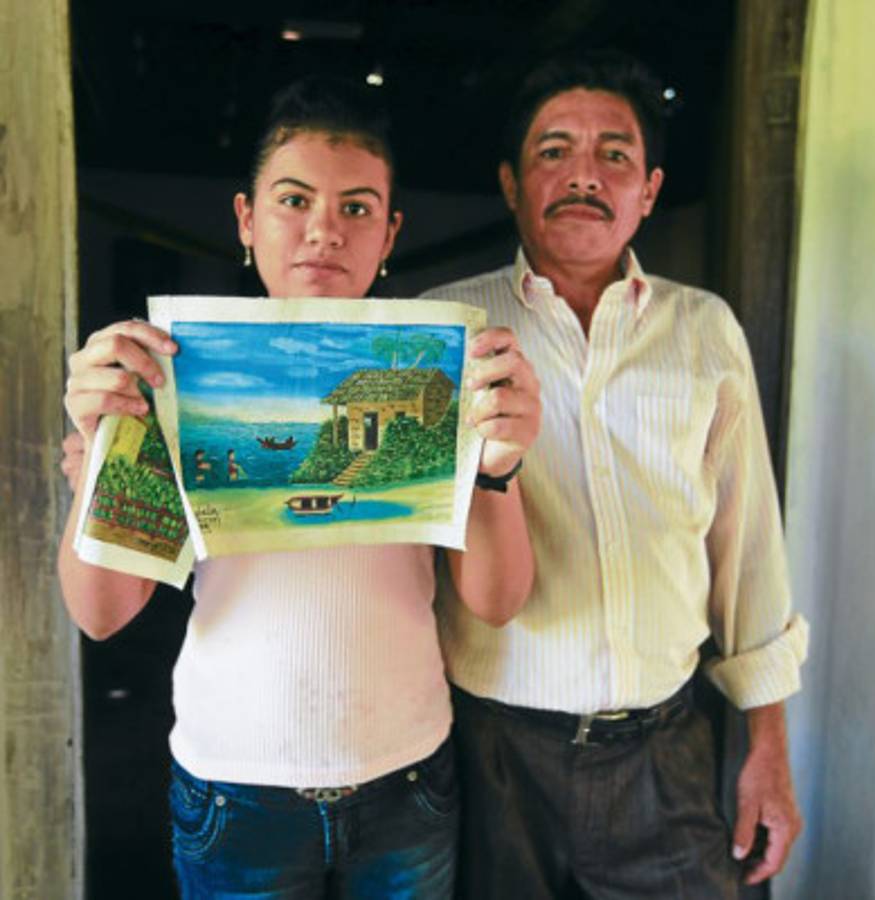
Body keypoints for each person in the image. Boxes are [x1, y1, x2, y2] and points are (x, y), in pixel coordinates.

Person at [58, 75, 541, 899]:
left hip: (407, 777)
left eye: (357, 208)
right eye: (293, 200)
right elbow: (103, 613)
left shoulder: (440, 373)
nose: (324, 230)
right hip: (231, 783)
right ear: (246, 218)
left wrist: (500, 464)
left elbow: (496, 602)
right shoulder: (172, 374)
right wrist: (103, 453)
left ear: (389, 233)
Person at [423, 50, 808, 899]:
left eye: (615, 155)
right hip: (490, 752)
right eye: (552, 152)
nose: (583, 175)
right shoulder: (438, 330)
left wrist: (768, 753)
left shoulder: (703, 329)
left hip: (665, 751)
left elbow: (746, 549)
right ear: (511, 185)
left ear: (650, 189)